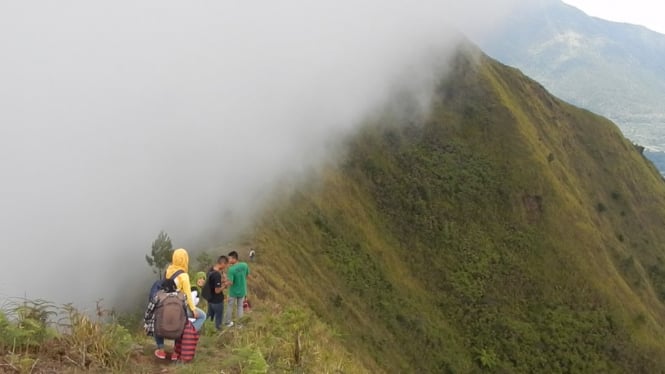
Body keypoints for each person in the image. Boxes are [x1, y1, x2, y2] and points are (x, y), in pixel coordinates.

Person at [155, 248, 206, 360]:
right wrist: (193, 310)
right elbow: (187, 294)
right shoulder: (184, 276)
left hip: (165, 305)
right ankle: (183, 340)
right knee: (201, 316)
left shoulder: (168, 270)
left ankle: (161, 350)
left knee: (158, 320)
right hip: (179, 308)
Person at [223, 250, 250, 328]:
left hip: (233, 292)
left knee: (230, 306)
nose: (228, 260)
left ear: (234, 258)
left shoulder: (231, 269)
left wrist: (225, 283)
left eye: (230, 258)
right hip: (242, 290)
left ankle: (227, 322)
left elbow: (231, 282)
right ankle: (239, 324)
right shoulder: (245, 265)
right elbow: (247, 275)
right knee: (240, 307)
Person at [206, 255, 228, 331]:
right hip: (217, 301)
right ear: (222, 263)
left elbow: (212, 282)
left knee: (209, 318)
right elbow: (217, 290)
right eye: (226, 264)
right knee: (218, 320)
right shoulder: (217, 274)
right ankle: (218, 333)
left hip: (210, 300)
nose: (226, 267)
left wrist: (222, 280)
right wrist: (224, 285)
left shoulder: (210, 270)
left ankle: (207, 332)